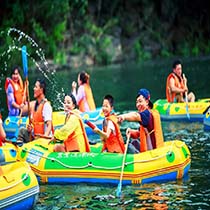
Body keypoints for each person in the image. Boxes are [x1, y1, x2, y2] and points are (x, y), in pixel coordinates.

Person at [118, 88, 164, 153]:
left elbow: (136, 115)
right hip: (151, 151)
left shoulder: (147, 115)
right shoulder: (149, 114)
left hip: (153, 154)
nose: (138, 105)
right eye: (137, 102)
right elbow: (140, 133)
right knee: (134, 142)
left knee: (129, 147)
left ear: (147, 102)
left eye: (140, 101)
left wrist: (123, 116)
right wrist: (132, 132)